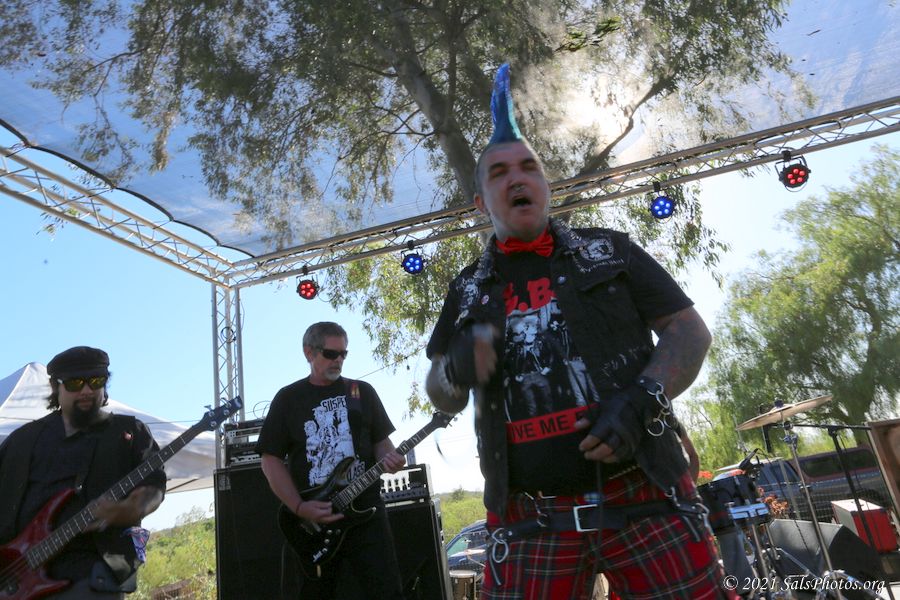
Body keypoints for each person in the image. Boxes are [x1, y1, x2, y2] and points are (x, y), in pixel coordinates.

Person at [425, 64, 735, 600]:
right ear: (480, 203)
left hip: (646, 496)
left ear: (546, 186)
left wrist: (640, 401)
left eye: (529, 167)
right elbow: (439, 393)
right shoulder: (466, 289)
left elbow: (689, 332)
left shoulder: (610, 250)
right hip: (528, 518)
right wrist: (454, 368)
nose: (517, 178)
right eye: (498, 173)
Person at [0, 346, 165, 599]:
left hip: (94, 576)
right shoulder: (22, 440)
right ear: (55, 387)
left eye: (96, 381)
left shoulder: (129, 432)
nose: (87, 390)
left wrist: (132, 508)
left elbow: (154, 485)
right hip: (18, 580)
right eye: (75, 383)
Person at [256, 321, 406, 599]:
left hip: (367, 514)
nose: (338, 360)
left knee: (386, 591)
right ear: (308, 352)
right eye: (330, 353)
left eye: (343, 354)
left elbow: (382, 444)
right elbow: (270, 460)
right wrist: (299, 507)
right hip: (316, 521)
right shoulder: (288, 399)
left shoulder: (361, 392)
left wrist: (393, 460)